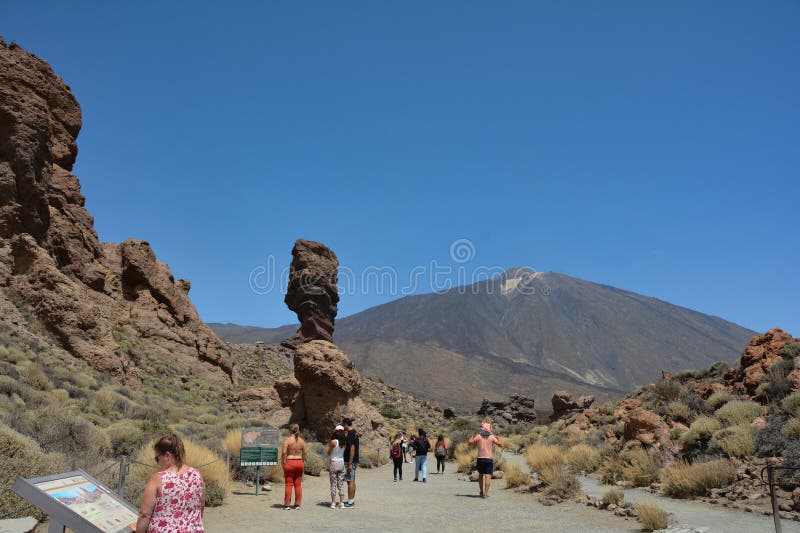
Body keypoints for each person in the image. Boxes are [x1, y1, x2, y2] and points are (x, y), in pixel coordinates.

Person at [136, 434, 205, 533]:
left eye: (157, 458)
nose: (157, 463)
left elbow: (145, 514)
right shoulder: (197, 475)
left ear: (167, 455)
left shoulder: (158, 479)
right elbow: (201, 506)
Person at [468, 419, 503, 498]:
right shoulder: (491, 437)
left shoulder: (478, 436)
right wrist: (498, 438)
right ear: (490, 428)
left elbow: (469, 443)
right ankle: (486, 493)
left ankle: (481, 491)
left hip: (480, 459)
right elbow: (500, 445)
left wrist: (472, 437)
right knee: (488, 476)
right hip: (489, 459)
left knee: (480, 475)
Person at [281, 424, 306, 510]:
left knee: (289, 484)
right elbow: (305, 452)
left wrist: (282, 462)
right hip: (299, 462)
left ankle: (287, 505)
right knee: (298, 485)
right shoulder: (301, 441)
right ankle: (297, 504)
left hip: (290, 462)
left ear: (290, 430)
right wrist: (303, 461)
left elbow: (284, 452)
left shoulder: (287, 440)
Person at [327, 425, 347, 509]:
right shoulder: (344, 442)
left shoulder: (333, 442)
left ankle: (333, 503)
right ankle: (342, 503)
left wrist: (331, 436)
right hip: (341, 463)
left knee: (333, 484)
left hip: (334, 462)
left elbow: (328, 453)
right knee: (341, 483)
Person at [342, 417, 359, 508]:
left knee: (350, 481)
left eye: (343, 425)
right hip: (353, 460)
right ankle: (351, 500)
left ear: (345, 424)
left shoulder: (351, 433)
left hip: (350, 461)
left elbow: (352, 448)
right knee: (352, 480)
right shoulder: (355, 432)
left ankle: (350, 502)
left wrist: (350, 463)